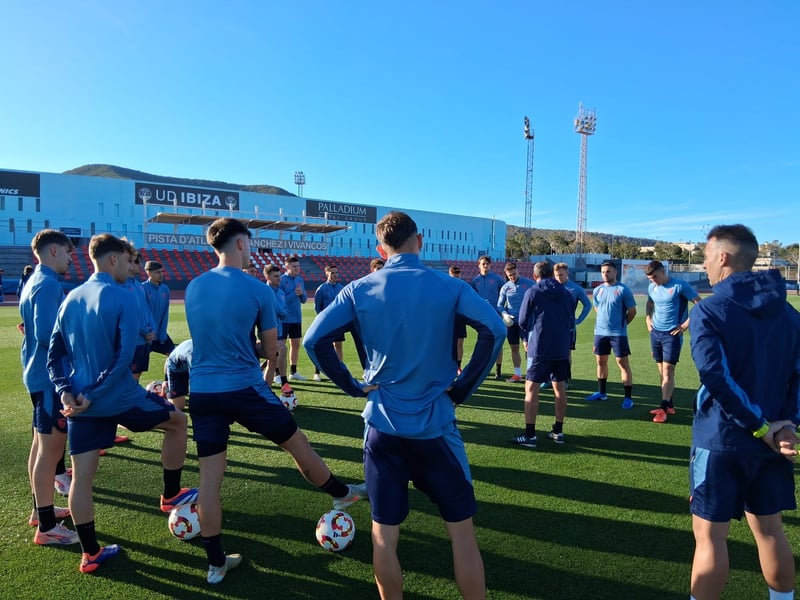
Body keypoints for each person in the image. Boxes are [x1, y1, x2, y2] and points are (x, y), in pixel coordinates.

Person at [304, 211, 505, 600]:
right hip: (437, 429)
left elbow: (314, 341)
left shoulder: (358, 289)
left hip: (382, 428)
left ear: (381, 249)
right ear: (420, 240)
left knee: (384, 536)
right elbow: (494, 330)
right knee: (462, 535)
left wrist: (352, 386)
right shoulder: (449, 286)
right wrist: (461, 389)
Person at [184, 217, 366, 585]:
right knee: (297, 444)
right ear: (240, 243)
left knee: (209, 480)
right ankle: (341, 494)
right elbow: (271, 351)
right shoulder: (258, 290)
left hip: (202, 392)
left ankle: (216, 564)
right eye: (249, 243)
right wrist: (263, 348)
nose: (250, 250)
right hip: (244, 388)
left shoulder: (193, 286)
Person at [48, 233, 197, 574]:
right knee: (178, 422)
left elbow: (54, 356)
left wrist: (66, 391)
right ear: (112, 259)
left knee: (82, 478)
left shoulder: (70, 298)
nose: (132, 267)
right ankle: (170, 495)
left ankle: (90, 554)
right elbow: (123, 359)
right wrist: (94, 393)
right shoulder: (123, 297)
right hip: (117, 398)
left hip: (79, 402)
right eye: (128, 261)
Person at [688, 224, 799, 600]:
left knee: (710, 538)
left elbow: (716, 378)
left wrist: (761, 427)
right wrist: (785, 426)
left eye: (705, 257)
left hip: (722, 440)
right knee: (770, 530)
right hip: (773, 442)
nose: (704, 265)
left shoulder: (709, 310)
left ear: (723, 257)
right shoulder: (789, 313)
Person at [19, 229, 76, 545]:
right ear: (53, 251)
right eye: (67, 251)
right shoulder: (48, 284)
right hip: (49, 378)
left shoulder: (33, 281)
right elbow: (45, 334)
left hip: (36, 375)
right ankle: (47, 527)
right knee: (49, 452)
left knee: (40, 448)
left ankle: (39, 511)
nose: (71, 258)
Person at [510, 261, 574, 447]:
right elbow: (571, 320)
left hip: (540, 347)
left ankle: (530, 435)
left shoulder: (533, 291)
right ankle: (558, 431)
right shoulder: (566, 293)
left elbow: (523, 320)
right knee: (560, 389)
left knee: (531, 390)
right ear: (552, 274)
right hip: (561, 347)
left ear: (535, 275)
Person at [644, 260, 700, 423]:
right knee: (661, 371)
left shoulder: (679, 286)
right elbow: (650, 303)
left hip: (672, 334)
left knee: (668, 371)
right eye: (650, 279)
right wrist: (648, 318)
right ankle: (669, 405)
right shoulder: (652, 287)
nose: (653, 281)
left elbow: (699, 304)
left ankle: (662, 409)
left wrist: (685, 325)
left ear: (663, 272)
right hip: (655, 333)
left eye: (655, 277)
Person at [585, 260, 637, 408]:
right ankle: (602, 393)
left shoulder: (623, 290)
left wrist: (622, 324)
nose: (605, 274)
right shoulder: (597, 290)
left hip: (618, 334)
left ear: (615, 272)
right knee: (600, 362)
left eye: (608, 271)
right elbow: (597, 307)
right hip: (600, 333)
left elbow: (632, 311)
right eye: (603, 272)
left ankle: (628, 398)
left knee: (622, 363)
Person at [496, 262, 535, 383]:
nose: (512, 277)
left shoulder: (529, 284)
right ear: (506, 275)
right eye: (510, 275)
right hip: (511, 323)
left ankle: (531, 373)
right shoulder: (505, 287)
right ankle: (517, 374)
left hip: (526, 322)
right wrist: (504, 314)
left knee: (528, 347)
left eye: (514, 274)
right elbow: (500, 305)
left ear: (518, 271)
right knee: (514, 347)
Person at [471, 256, 506, 379]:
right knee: (483, 342)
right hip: (482, 316)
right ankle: (484, 369)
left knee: (498, 341)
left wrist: (502, 309)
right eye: (483, 264)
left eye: (487, 264)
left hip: (495, 314)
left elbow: (505, 292)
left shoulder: (497, 279)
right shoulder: (475, 281)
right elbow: (473, 297)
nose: (485, 266)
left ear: (490, 265)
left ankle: (498, 370)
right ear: (479, 265)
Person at [312, 264, 344, 381]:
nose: (335, 275)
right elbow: (317, 307)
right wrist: (322, 320)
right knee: (322, 347)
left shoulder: (341, 288)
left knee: (338, 346)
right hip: (325, 323)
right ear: (327, 274)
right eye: (332, 273)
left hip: (338, 322)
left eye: (336, 272)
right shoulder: (321, 289)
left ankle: (339, 371)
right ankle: (317, 373)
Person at [279, 255, 308, 381]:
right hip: (284, 319)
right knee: (281, 347)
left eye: (298, 266)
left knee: (295, 345)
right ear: (287, 266)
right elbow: (280, 300)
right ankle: (278, 374)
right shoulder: (281, 280)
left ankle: (293, 372)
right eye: (294, 266)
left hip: (297, 318)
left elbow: (304, 300)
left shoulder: (300, 280)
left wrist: (301, 294)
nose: (297, 268)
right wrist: (294, 294)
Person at [263, 264, 289, 388]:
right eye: (276, 276)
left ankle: (270, 386)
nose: (279, 278)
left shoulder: (281, 292)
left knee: (274, 358)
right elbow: (275, 310)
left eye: (279, 276)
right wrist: (279, 311)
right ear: (268, 277)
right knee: (281, 350)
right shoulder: (263, 291)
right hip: (266, 330)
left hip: (278, 328)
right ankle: (284, 382)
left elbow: (283, 312)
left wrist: (280, 312)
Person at [142, 261, 175, 356]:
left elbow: (165, 313)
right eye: (157, 272)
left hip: (160, 333)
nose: (161, 275)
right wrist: (146, 331)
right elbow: (141, 313)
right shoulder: (142, 288)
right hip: (146, 335)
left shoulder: (165, 289)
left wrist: (163, 332)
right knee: (139, 363)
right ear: (149, 273)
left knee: (174, 355)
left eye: (161, 271)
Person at [449, 265, 468, 370]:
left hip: (460, 317)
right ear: (450, 275)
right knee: (448, 343)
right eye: (454, 276)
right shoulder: (446, 286)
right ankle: (449, 366)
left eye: (458, 276)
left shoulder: (464, 286)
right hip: (449, 318)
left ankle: (458, 367)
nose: (456, 278)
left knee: (460, 343)